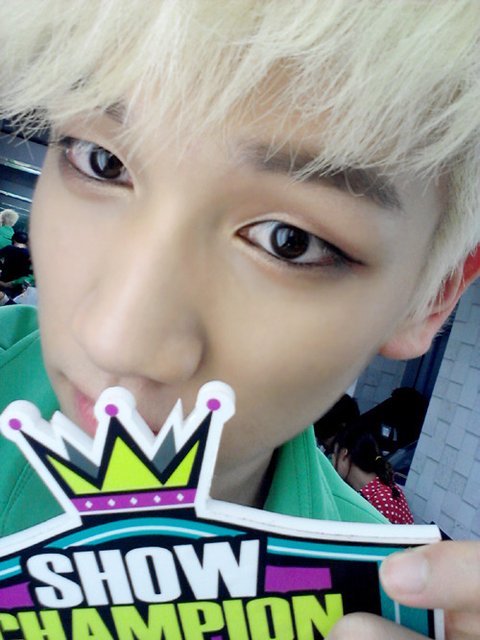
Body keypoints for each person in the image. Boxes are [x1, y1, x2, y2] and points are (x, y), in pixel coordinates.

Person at [1, 3, 480, 637]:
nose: (116, 341)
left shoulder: (389, 603)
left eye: (289, 241)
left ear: (428, 300)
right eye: (100, 160)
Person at [332, 424, 414, 524]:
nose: (332, 460)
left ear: (344, 454)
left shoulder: (379, 501)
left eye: (334, 454)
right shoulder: (382, 488)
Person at [0, 230, 32, 297]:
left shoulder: (9, 248)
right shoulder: (29, 254)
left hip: (4, 282)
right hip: (19, 287)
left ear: (13, 240)